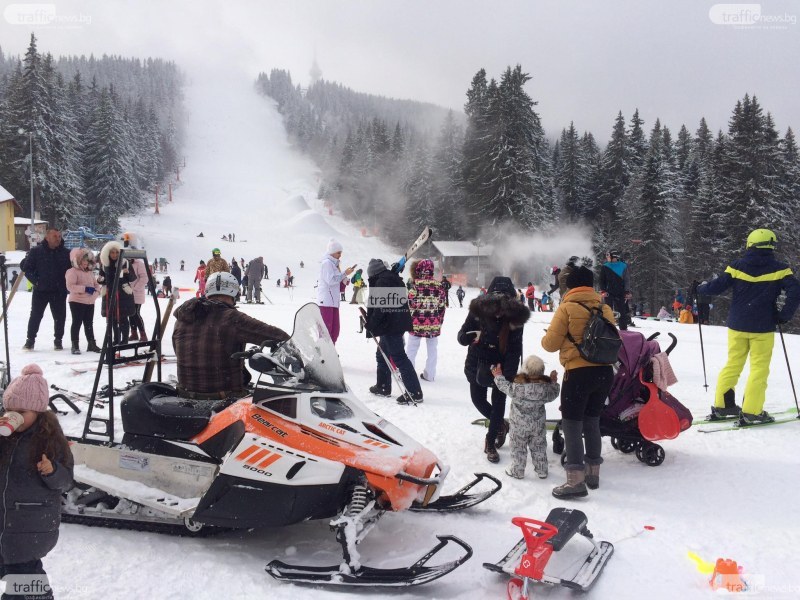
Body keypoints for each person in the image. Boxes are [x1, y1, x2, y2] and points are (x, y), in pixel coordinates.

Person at [697, 229, 800, 424]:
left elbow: (718, 286)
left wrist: (699, 289)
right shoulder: (780, 269)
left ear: (750, 244)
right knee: (759, 369)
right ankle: (752, 411)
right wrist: (783, 316)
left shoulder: (737, 266)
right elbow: (795, 291)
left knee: (733, 364)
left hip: (737, 325)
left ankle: (723, 406)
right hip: (763, 327)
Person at [542, 266, 616, 499]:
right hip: (605, 373)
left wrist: (551, 336)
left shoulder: (567, 307)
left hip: (578, 372)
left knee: (572, 425)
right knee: (592, 421)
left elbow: (550, 344)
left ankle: (575, 482)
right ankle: (593, 474)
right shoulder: (604, 307)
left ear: (571, 286)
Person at [0, 364, 74, 600]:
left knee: (24, 577)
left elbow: (67, 482)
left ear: (38, 411)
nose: (15, 416)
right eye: (10, 410)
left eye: (22, 411)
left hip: (28, 525)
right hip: (2, 522)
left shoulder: (50, 439)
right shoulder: (5, 435)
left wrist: (52, 471)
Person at [172, 272, 290, 400]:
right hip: (224, 399)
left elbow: (178, 351)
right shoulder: (231, 318)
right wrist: (295, 346)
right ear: (235, 293)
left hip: (185, 395)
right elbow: (277, 336)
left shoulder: (183, 318)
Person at [458, 276, 529, 463]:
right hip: (477, 361)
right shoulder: (478, 310)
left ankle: (490, 440)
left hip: (501, 364)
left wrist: (507, 375)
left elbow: (515, 347)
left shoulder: (515, 316)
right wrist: (468, 338)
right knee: (478, 399)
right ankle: (500, 425)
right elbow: (461, 335)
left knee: (498, 402)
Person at [491, 355, 560, 479]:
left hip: (518, 426)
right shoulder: (545, 389)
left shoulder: (518, 387)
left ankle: (517, 471)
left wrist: (498, 376)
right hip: (537, 426)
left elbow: (504, 386)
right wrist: (554, 382)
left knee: (518, 448)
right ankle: (542, 470)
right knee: (539, 447)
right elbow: (554, 394)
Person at [365, 259, 423, 404]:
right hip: (395, 323)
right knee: (381, 355)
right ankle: (383, 386)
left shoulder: (382, 282)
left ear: (373, 272)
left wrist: (371, 324)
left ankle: (415, 393)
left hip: (391, 326)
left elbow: (380, 309)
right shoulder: (392, 278)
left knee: (399, 358)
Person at [21, 229, 71, 351]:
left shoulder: (66, 253)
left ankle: (58, 340)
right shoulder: (36, 252)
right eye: (55, 236)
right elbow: (27, 269)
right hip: (41, 290)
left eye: (59, 236)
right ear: (47, 237)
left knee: (60, 317)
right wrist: (37, 281)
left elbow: (72, 270)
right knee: (36, 316)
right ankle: (30, 340)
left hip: (59, 291)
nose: (58, 238)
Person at [405, 259, 447, 382]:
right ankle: (430, 374)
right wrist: (439, 321)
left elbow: (410, 304)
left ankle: (409, 374)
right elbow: (442, 307)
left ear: (419, 270)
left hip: (417, 323)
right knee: (432, 350)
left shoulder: (415, 285)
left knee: (412, 349)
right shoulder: (439, 286)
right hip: (433, 323)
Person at [98, 241, 137, 346]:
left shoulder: (125, 262)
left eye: (116, 252)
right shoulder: (104, 264)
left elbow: (133, 278)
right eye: (112, 252)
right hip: (110, 294)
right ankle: (116, 339)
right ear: (108, 253)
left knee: (123, 318)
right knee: (113, 318)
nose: (114, 255)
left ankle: (124, 340)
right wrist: (100, 279)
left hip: (123, 294)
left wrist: (127, 272)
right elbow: (103, 278)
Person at [317, 240, 354, 344]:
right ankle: (323, 353)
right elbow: (331, 280)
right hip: (326, 302)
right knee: (326, 331)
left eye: (341, 253)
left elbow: (338, 285)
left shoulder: (335, 265)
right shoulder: (327, 263)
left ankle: (331, 352)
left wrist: (344, 281)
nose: (340, 255)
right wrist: (344, 274)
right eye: (338, 252)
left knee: (335, 331)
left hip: (334, 302)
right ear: (332, 252)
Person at [65, 248, 101, 355]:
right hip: (77, 301)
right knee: (77, 323)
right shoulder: (72, 272)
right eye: (83, 263)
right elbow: (70, 287)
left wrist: (96, 293)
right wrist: (85, 289)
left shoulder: (89, 272)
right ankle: (75, 345)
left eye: (87, 263)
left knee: (89, 323)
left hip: (90, 302)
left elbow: (96, 285)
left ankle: (91, 343)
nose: (85, 265)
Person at [125, 237, 149, 342]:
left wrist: (135, 288)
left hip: (136, 293)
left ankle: (142, 333)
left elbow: (144, 278)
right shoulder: (125, 263)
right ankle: (134, 333)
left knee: (136, 313)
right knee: (130, 313)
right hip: (127, 292)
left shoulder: (139, 264)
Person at [600, 250, 631, 330]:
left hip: (620, 292)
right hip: (608, 292)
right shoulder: (605, 266)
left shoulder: (623, 266)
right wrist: (603, 290)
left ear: (614, 257)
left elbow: (626, 279)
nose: (607, 258)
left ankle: (623, 329)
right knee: (608, 311)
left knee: (621, 311)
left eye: (609, 256)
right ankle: (608, 329)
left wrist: (626, 291)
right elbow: (602, 280)